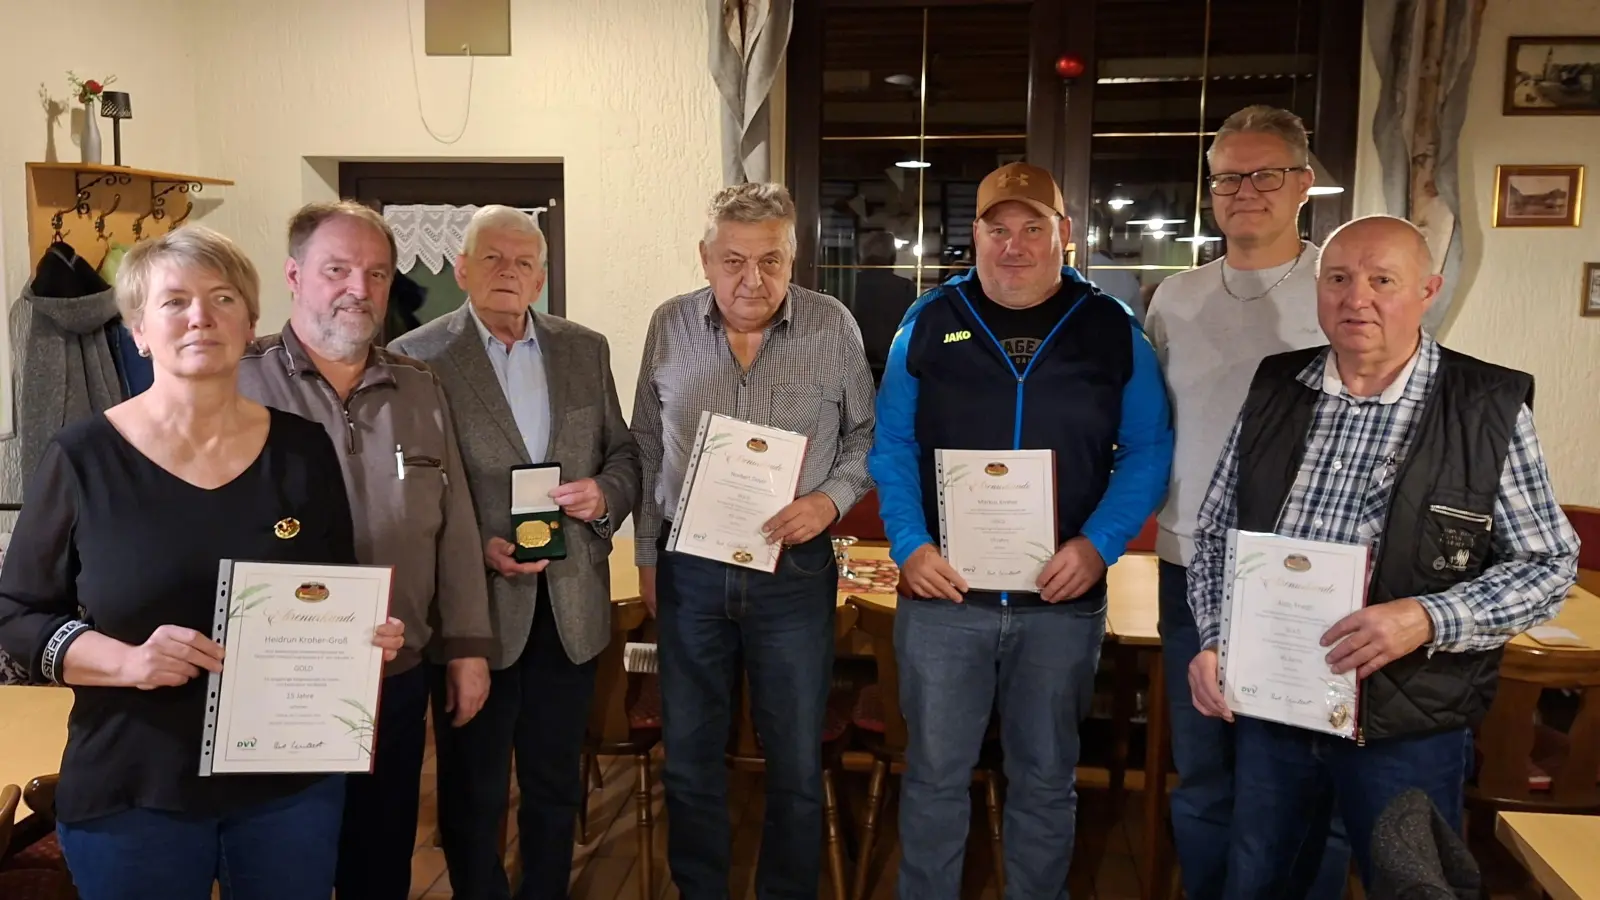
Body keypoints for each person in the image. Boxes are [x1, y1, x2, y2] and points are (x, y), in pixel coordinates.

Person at [0, 225, 405, 900]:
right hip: (133, 789)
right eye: (175, 301)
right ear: (138, 330)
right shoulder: (81, 457)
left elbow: (330, 588)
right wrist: (127, 662)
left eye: (222, 298)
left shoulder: (303, 451)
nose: (200, 317)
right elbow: (16, 614)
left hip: (287, 786)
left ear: (250, 324)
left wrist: (362, 635)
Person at [1186, 214, 1580, 895]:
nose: (1356, 298)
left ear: (1428, 291)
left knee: (1410, 885)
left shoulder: (1485, 404)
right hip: (1276, 707)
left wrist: (1425, 618)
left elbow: (1547, 566)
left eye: (1382, 281)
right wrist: (1217, 640)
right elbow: (1218, 534)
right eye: (1338, 278)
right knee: (1259, 881)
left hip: (1410, 719)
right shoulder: (1277, 387)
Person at [869, 161, 1173, 900]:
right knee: (934, 779)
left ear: (1063, 233)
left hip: (1059, 606)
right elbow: (893, 444)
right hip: (945, 604)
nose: (1014, 245)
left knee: (1045, 779)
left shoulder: (1111, 327)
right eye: (997, 228)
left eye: (1032, 227)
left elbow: (1148, 449)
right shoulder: (928, 321)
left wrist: (1099, 546)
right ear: (974, 235)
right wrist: (910, 544)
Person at [236, 201, 495, 900]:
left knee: (380, 864)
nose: (360, 288)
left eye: (377, 273)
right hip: (278, 682)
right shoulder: (239, 382)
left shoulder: (419, 387)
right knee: (285, 872)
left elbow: (455, 525)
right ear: (294, 276)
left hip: (394, 676)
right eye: (338, 270)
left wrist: (468, 646)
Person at [388, 205, 641, 900]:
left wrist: (604, 495)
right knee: (473, 790)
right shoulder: (417, 356)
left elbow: (623, 454)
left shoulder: (584, 349)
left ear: (541, 277)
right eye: (492, 258)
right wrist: (474, 549)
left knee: (556, 783)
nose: (508, 272)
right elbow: (406, 489)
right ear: (462, 269)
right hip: (475, 612)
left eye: (523, 262)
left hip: (571, 606)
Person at [631, 182, 875, 900]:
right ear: (705, 258)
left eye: (771, 260)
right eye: (734, 261)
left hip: (793, 574)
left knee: (796, 760)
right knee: (689, 757)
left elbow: (867, 436)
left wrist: (828, 501)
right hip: (690, 569)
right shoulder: (669, 325)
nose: (753, 280)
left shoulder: (832, 325)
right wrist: (646, 555)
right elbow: (646, 444)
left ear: (793, 256)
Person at [1143, 104, 1350, 899]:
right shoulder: (1173, 299)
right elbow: (1157, 425)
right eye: (1228, 178)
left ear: (1303, 184)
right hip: (1190, 566)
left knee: (1310, 779)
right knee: (1204, 776)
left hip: (1310, 573)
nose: (1245, 191)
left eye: (1266, 175)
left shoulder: (1338, 289)